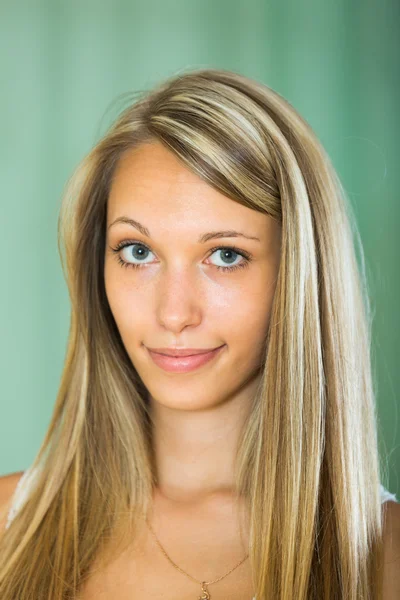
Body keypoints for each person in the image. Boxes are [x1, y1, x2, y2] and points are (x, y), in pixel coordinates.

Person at [0, 68, 399, 600]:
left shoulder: (385, 554)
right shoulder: (8, 529)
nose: (174, 313)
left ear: (299, 274)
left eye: (226, 256)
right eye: (137, 253)